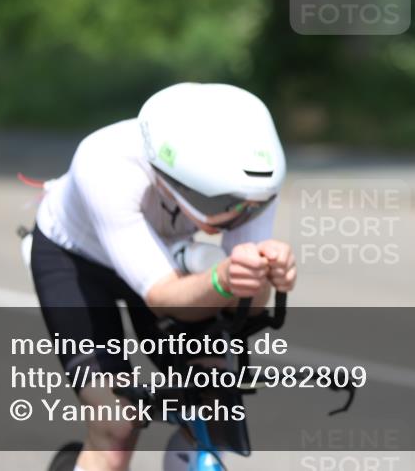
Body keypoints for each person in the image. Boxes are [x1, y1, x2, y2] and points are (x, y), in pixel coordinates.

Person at [29, 82, 296, 471]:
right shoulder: (105, 162)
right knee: (116, 422)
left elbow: (249, 312)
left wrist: (264, 276)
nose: (240, 218)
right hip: (77, 261)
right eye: (227, 206)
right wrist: (224, 279)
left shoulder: (250, 187)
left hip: (166, 256)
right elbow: (164, 296)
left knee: (215, 396)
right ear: (170, 179)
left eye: (252, 208)